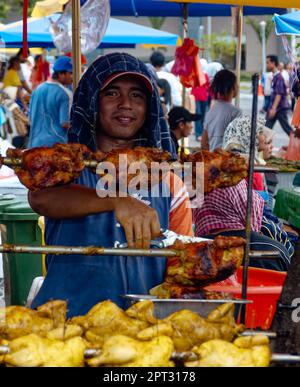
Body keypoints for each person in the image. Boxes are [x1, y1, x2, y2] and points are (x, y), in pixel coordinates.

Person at [28, 52, 193, 317]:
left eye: (137, 95)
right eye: (112, 93)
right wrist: (116, 201)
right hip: (64, 328)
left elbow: (179, 267)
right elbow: (40, 198)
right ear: (93, 101)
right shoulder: (67, 170)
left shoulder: (169, 183)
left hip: (140, 333)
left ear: (149, 107)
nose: (126, 104)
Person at [28, 56, 73, 148]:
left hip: (34, 145)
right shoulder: (65, 93)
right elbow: (65, 123)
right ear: (61, 74)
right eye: (70, 73)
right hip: (55, 147)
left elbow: (31, 118)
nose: (72, 77)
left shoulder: (37, 89)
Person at [201, 69, 242, 150]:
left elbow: (203, 143)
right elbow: (239, 143)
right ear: (233, 87)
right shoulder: (236, 112)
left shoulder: (210, 112)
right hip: (228, 159)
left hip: (212, 157)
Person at [265, 55, 293, 137]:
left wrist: (273, 109)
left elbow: (279, 94)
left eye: (268, 62)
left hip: (280, 108)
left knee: (287, 129)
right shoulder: (275, 76)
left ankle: (297, 144)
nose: (267, 65)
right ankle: (264, 147)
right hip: (276, 108)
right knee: (266, 128)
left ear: (273, 63)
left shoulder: (279, 77)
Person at [191, 70, 210, 142]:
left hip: (203, 96)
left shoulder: (205, 74)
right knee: (198, 115)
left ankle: (201, 133)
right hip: (197, 97)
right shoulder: (194, 74)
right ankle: (198, 134)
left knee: (202, 116)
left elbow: (207, 85)